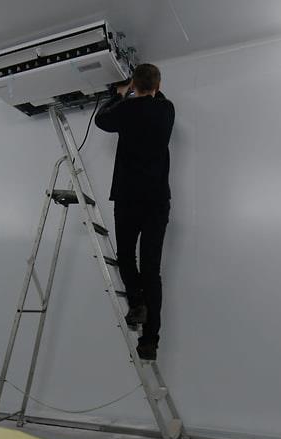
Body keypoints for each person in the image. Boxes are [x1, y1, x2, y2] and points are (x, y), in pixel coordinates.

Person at [94, 63, 175, 361]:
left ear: (134, 86)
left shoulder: (125, 110)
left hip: (128, 198)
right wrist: (144, 88)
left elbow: (101, 119)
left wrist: (120, 93)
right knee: (151, 269)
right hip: (156, 200)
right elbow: (157, 97)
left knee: (126, 257)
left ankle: (137, 303)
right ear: (158, 85)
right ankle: (150, 341)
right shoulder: (167, 110)